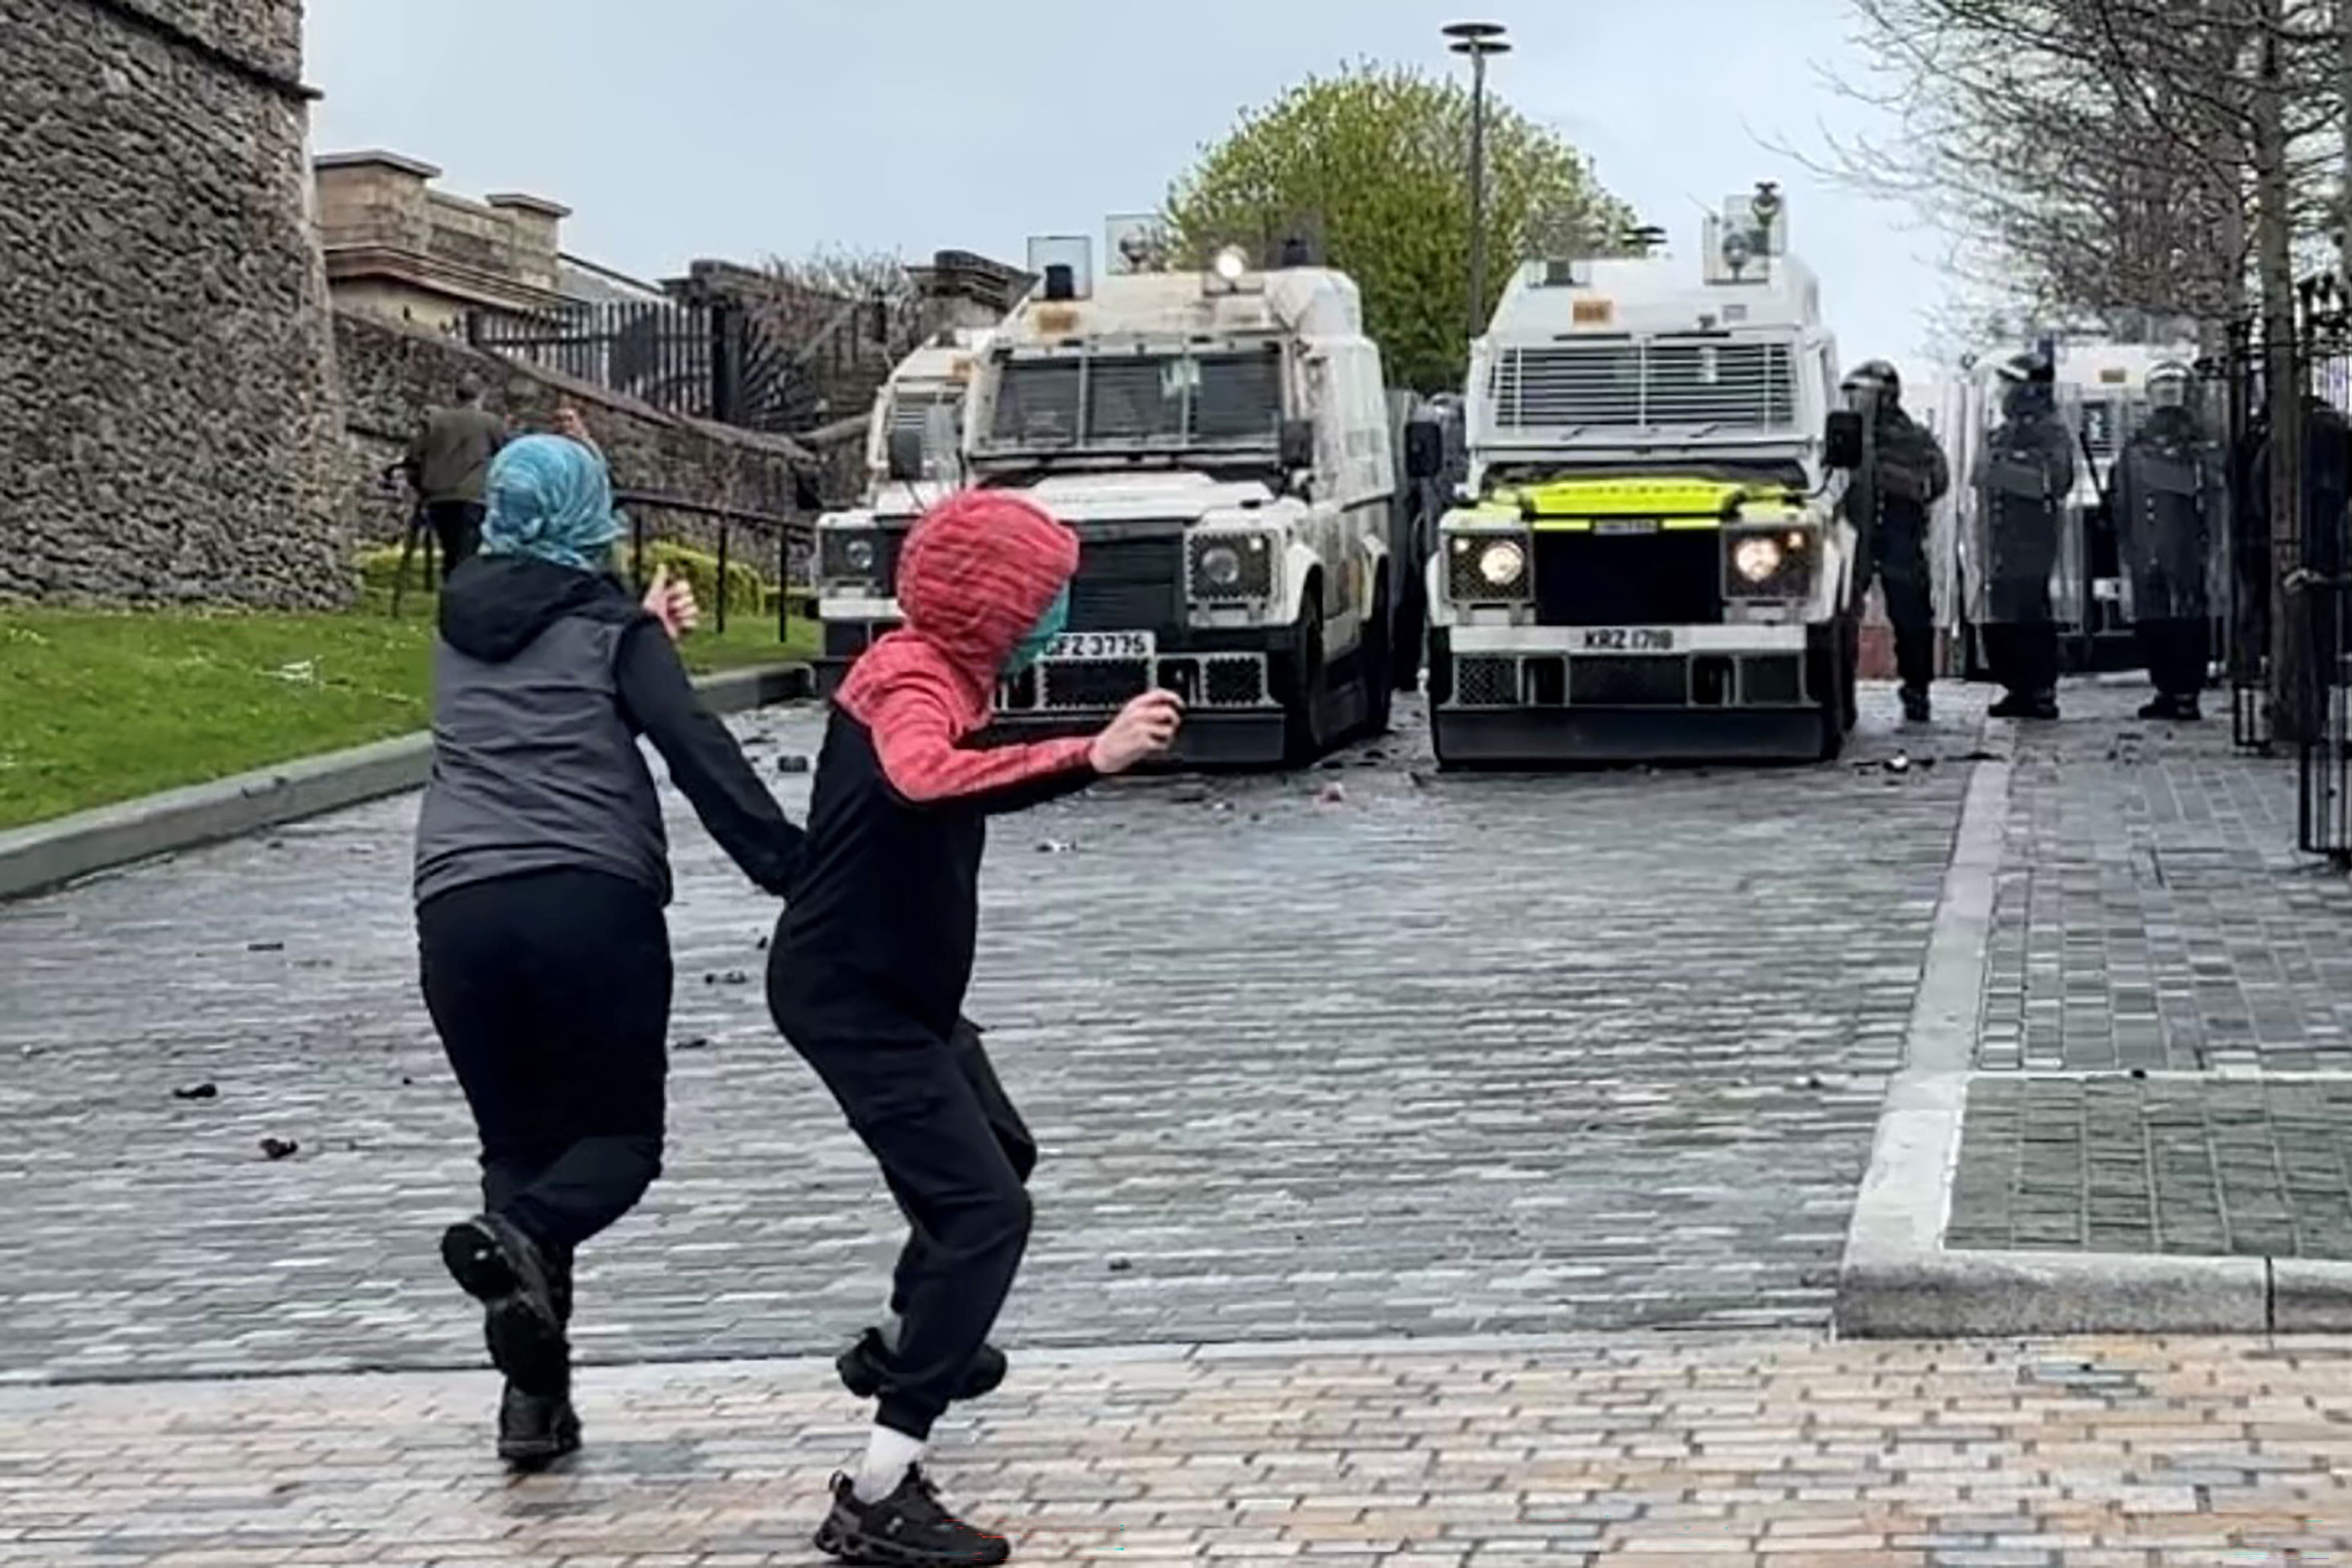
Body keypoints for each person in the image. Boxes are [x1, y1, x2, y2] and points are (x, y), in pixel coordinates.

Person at [767, 490, 1183, 1566]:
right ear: (995, 606)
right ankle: (876, 1490)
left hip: (897, 994)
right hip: (852, 1000)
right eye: (1046, 596)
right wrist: (1088, 755)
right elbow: (921, 775)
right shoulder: (912, 679)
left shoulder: (943, 667)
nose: (1058, 612)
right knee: (983, 1215)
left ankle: (907, 1343)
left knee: (998, 1153)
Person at [414, 433, 805, 1469]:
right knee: (620, 1147)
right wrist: (794, 869)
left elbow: (552, 641)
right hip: (589, 903)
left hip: (456, 911)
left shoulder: (456, 628)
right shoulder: (612, 633)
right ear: (593, 513)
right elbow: (698, 754)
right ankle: (522, 1244)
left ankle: (531, 1408)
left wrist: (640, 627)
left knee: (518, 1150)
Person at [1841, 360, 1949, 723]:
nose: (1857, 402)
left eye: (1864, 395)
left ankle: (1917, 690)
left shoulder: (1913, 438)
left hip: (1900, 536)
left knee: (1912, 619)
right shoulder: (1844, 434)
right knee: (1842, 618)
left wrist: (1886, 475)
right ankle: (1840, 691)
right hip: (1855, 537)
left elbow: (1935, 481)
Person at [2114, 362, 2223, 720]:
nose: (2166, 395)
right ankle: (2164, 686)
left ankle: (2186, 691)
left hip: (2185, 543)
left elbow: (2210, 487)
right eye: (2160, 388)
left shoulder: (2199, 438)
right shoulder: (2137, 440)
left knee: (2187, 618)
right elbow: (2124, 493)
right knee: (2152, 620)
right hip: (2145, 545)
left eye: (2172, 388)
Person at [1971, 353, 2076, 720]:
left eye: (2010, 384)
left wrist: (2000, 471)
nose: (2004, 393)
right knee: (2004, 614)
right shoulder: (2005, 431)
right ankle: (2018, 687)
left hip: (2032, 537)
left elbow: (2056, 480)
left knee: (2030, 612)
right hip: (2001, 537)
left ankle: (2040, 687)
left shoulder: (2049, 431)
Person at [404, 379, 505, 579]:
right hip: (474, 494)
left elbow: (414, 457)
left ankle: (452, 588)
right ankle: (462, 594)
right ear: (481, 397)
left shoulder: (435, 422)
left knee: (450, 549)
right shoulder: (490, 423)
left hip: (439, 495)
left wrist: (421, 486)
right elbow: (507, 454)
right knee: (468, 551)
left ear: (455, 395)